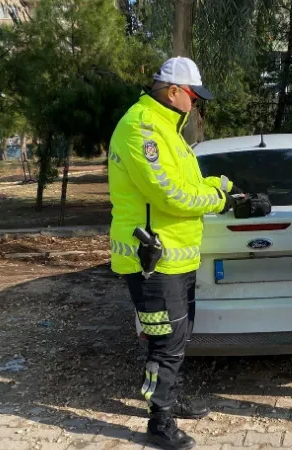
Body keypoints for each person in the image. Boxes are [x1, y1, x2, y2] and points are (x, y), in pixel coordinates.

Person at [108, 56, 240, 450]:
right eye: (194, 96)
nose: (196, 104)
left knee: (178, 336)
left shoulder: (168, 130)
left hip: (177, 259)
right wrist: (218, 199)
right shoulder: (141, 129)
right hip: (152, 260)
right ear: (174, 92)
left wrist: (223, 185)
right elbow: (169, 194)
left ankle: (170, 397)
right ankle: (158, 422)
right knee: (163, 341)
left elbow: (187, 180)